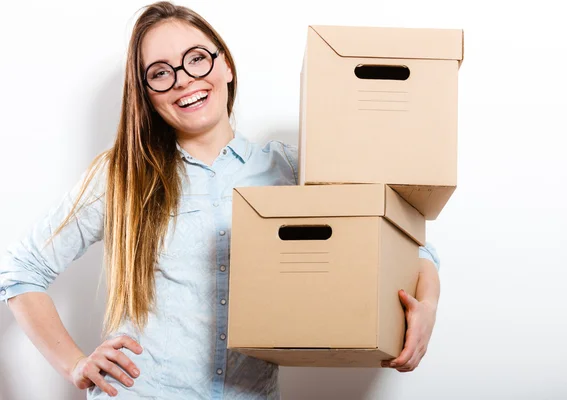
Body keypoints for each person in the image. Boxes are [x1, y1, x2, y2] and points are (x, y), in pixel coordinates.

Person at [0, 1, 442, 399]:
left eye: (196, 59)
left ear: (225, 65)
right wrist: (75, 364)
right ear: (149, 97)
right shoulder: (121, 177)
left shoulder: (293, 171)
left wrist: (426, 308)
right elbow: (21, 271)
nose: (184, 80)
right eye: (160, 72)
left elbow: (409, 244)